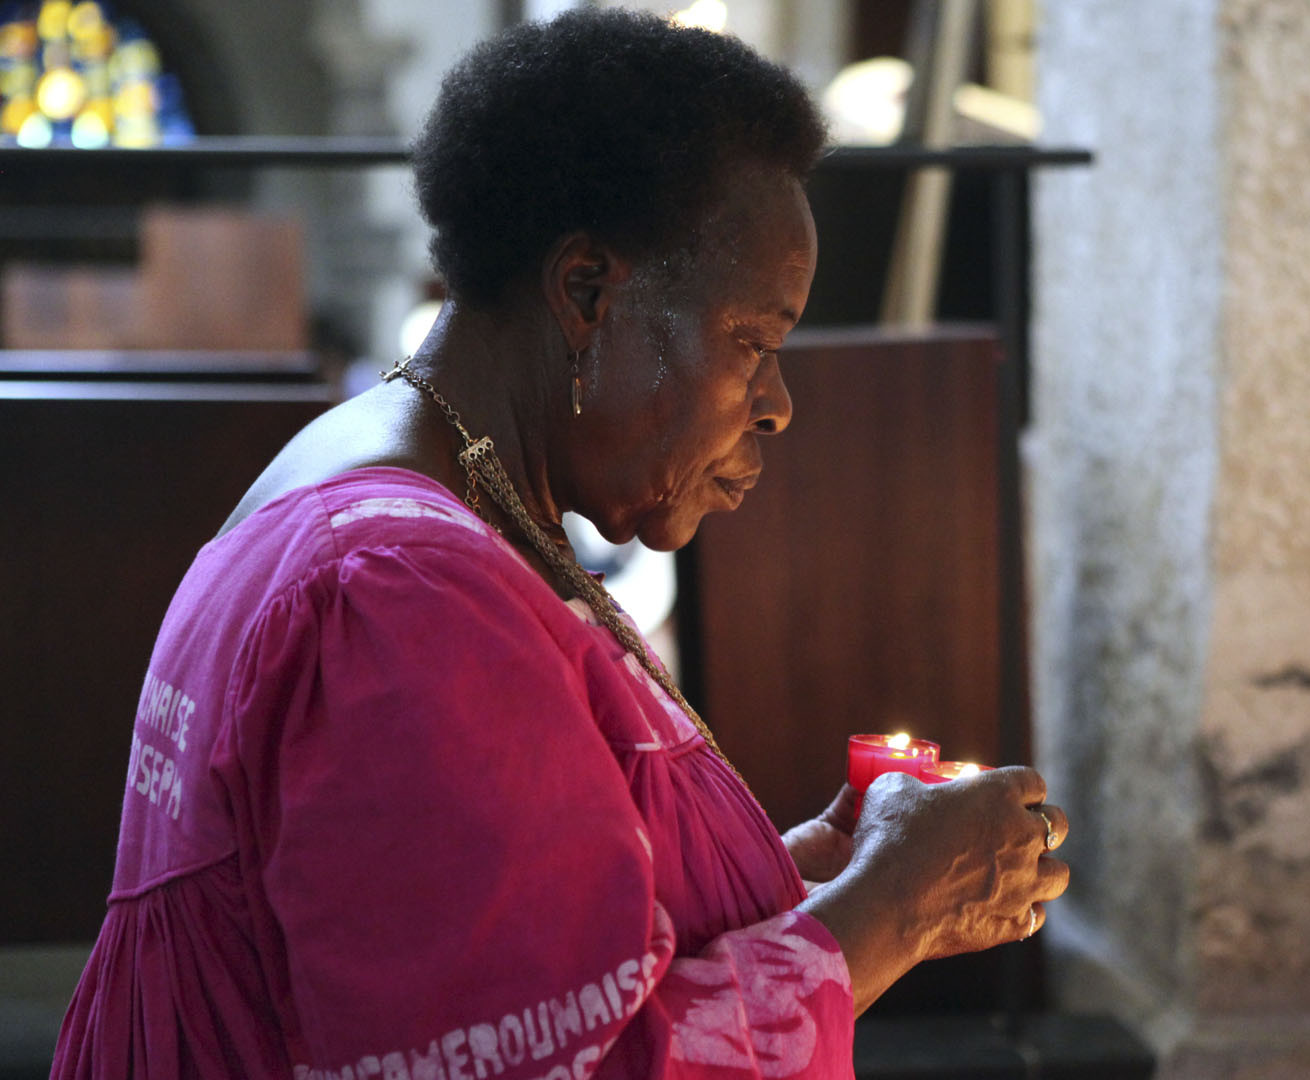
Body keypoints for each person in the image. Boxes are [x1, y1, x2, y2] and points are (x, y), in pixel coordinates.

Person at [52, 10, 1068, 1079]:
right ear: (588, 292)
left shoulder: (434, 493)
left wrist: (814, 866)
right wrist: (893, 906)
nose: (776, 404)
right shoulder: (403, 600)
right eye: (752, 340)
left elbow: (503, 921)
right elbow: (566, 1063)